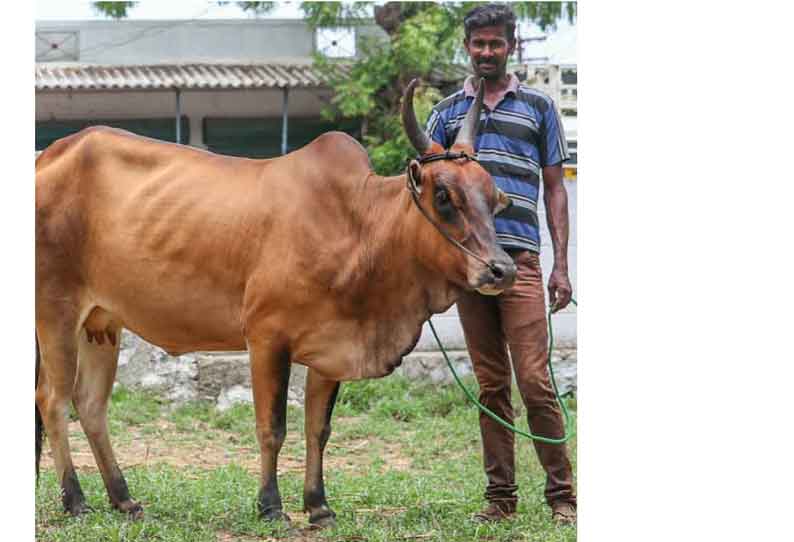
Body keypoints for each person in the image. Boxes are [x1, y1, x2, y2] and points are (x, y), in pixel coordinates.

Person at [425, 3, 576, 525]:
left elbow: (556, 190)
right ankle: (500, 499)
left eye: (495, 43)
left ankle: (563, 497)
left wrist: (560, 266)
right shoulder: (443, 115)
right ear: (467, 48)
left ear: (510, 46)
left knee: (534, 380)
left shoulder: (537, 107)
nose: (486, 52)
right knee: (490, 385)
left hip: (521, 262)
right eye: (477, 44)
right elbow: (428, 195)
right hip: (470, 271)